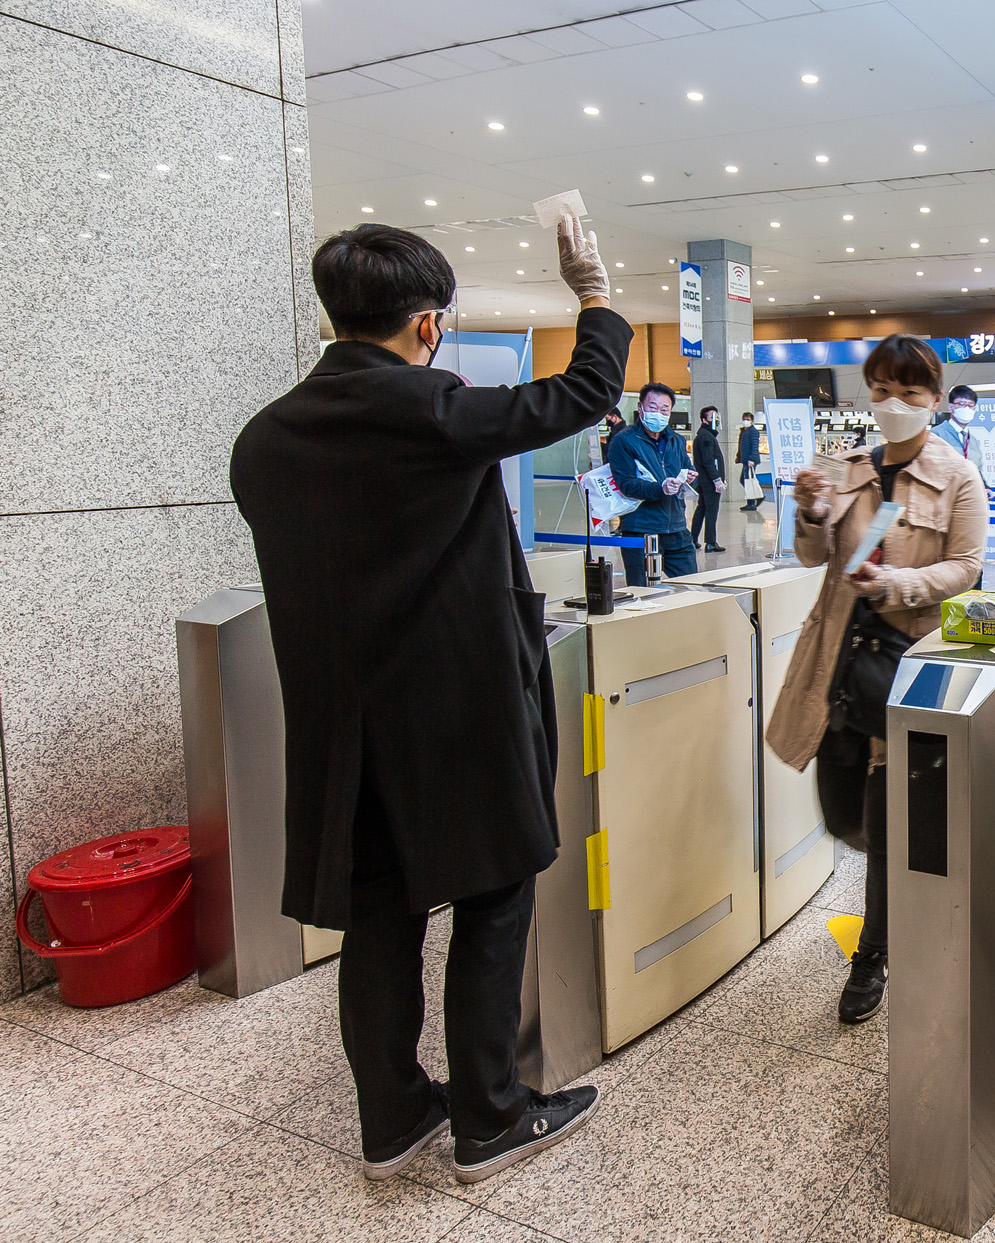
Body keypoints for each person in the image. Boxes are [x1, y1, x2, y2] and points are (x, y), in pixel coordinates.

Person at [230, 216, 623, 1183]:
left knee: (378, 914)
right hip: (459, 712)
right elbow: (584, 392)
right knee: (496, 893)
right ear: (427, 325)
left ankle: (393, 1115)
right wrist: (595, 295)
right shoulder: (433, 412)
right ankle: (490, 1117)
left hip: (341, 728)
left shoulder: (263, 440)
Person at [766, 334, 988, 1025]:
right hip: (838, 669)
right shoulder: (847, 468)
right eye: (883, 391)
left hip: (907, 669)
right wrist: (811, 512)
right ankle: (912, 894)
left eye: (911, 393)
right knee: (845, 814)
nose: (895, 405)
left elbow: (966, 569)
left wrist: (896, 581)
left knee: (891, 828)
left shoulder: (958, 477)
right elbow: (811, 555)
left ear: (935, 400)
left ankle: (873, 954)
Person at [607, 384, 696, 584]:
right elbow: (626, 484)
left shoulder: (677, 441)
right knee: (642, 593)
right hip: (641, 529)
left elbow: (687, 468)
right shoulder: (624, 441)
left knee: (693, 588)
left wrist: (690, 477)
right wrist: (661, 488)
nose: (659, 414)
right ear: (640, 408)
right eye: (653, 408)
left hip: (677, 528)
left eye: (664, 409)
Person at [691, 405, 727, 552]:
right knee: (711, 510)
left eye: (716, 417)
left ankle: (692, 539)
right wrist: (717, 479)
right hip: (709, 482)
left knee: (702, 508)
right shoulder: (706, 436)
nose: (716, 420)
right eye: (712, 417)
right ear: (704, 420)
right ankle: (711, 542)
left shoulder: (705, 435)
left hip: (705, 480)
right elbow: (709, 461)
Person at [932, 384, 980, 460]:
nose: (966, 409)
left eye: (970, 405)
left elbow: (979, 469)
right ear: (951, 407)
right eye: (961, 404)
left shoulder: (974, 442)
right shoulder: (936, 435)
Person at [737, 412, 764, 511]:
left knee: (748, 480)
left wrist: (751, 459)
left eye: (748, 419)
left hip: (750, 460)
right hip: (746, 460)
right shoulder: (744, 431)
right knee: (745, 480)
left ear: (752, 421)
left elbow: (754, 446)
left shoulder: (753, 431)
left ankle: (752, 502)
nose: (746, 421)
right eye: (744, 419)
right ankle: (756, 498)